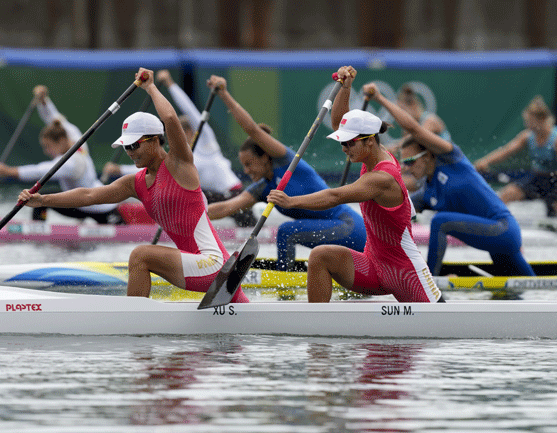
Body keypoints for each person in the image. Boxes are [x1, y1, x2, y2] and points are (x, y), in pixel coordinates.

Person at [18, 68, 249, 303]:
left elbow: (169, 119)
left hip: (212, 265)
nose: (130, 153)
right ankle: (137, 314)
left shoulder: (179, 163)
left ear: (155, 140)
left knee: (141, 255)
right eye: (126, 147)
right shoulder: (135, 183)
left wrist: (150, 87)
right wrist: (43, 200)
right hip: (197, 266)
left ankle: (133, 321)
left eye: (134, 146)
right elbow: (89, 195)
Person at [266, 66, 442, 303]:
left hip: (405, 273)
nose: (344, 149)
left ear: (369, 142)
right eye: (343, 143)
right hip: (372, 266)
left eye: (349, 144)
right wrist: (346, 87)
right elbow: (340, 120)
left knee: (435, 339)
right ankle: (315, 330)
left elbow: (334, 196)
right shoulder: (368, 153)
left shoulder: (382, 177)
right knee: (320, 256)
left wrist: (290, 201)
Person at [360, 81, 535, 278]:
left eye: (409, 161)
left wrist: (379, 98)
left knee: (440, 221)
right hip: (495, 245)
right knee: (523, 290)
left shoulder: (452, 159)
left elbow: (415, 129)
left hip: (504, 230)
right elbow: (392, 216)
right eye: (403, 162)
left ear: (426, 157)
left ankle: (430, 282)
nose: (405, 168)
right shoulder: (427, 192)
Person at [204, 74, 366, 271]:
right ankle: (288, 274)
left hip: (349, 227)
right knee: (287, 232)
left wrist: (224, 94)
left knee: (286, 232)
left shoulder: (287, 161)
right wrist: (191, 216)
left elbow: (252, 130)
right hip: (335, 235)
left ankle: (285, 287)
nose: (246, 171)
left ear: (265, 157)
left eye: (249, 164)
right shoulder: (262, 188)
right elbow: (226, 208)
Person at [102, 69, 255, 227]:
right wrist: (119, 169)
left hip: (234, 195)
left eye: (178, 132)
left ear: (189, 131)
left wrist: (170, 84)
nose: (174, 138)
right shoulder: (180, 155)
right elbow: (157, 170)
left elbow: (190, 110)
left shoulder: (205, 140)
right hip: (212, 196)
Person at [0, 85, 123, 224]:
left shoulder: (71, 163)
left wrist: (9, 171)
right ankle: (38, 228)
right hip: (79, 202)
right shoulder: (74, 135)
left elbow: (39, 171)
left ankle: (37, 231)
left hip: (100, 208)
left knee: (40, 198)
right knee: (39, 197)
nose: (46, 151)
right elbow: (54, 118)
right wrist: (44, 101)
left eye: (48, 147)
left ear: (60, 141)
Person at [474, 95, 557, 218]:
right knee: (507, 193)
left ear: (541, 120)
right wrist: (485, 161)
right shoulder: (527, 136)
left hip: (554, 183)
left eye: (529, 121)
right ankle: (495, 222)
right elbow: (506, 151)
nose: (527, 125)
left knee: (554, 214)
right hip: (536, 179)